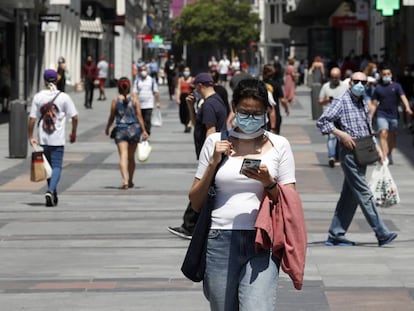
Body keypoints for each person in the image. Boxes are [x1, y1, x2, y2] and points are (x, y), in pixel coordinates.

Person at [189, 78, 302, 310]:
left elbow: (290, 202)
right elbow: (195, 202)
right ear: (234, 108)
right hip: (220, 239)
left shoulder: (280, 145)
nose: (250, 118)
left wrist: (269, 183)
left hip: (262, 240)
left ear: (266, 113)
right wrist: (213, 163)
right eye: (244, 112)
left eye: (256, 113)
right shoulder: (214, 142)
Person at [316, 71, 398, 247]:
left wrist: (377, 148)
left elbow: (367, 128)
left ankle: (336, 234)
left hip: (363, 150)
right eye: (357, 81)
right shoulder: (341, 100)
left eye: (364, 82)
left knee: (350, 196)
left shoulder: (362, 102)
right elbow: (323, 121)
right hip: (349, 153)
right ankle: (381, 232)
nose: (360, 84)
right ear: (350, 83)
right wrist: (341, 135)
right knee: (363, 192)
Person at [168, 72, 229, 239]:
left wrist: (209, 158)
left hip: (212, 156)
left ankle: (190, 226)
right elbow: (196, 124)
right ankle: (192, 225)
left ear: (201, 86)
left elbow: (210, 133)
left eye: (195, 87)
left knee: (202, 188)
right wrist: (191, 107)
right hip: (215, 155)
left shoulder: (209, 105)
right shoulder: (216, 101)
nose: (195, 90)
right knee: (206, 188)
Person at [28, 69, 78, 207]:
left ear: (44, 81)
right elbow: (75, 117)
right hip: (57, 140)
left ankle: (52, 194)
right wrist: (73, 132)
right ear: (57, 80)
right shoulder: (64, 97)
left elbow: (32, 119)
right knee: (56, 167)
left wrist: (30, 136)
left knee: (47, 168)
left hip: (42, 139)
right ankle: (50, 191)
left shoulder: (38, 97)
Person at [105, 77, 149, 189]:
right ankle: (130, 180)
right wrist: (144, 130)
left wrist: (108, 127)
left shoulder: (115, 100)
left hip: (121, 130)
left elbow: (112, 116)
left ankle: (124, 180)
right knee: (131, 157)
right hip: (134, 130)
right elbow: (139, 116)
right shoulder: (134, 99)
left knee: (123, 156)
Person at [371, 66, 413, 164]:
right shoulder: (378, 88)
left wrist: (407, 108)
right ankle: (384, 156)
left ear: (391, 75)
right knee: (383, 133)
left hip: (394, 115)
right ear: (381, 75)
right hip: (381, 114)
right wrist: (370, 115)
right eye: (384, 74)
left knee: (392, 136)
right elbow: (374, 103)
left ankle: (389, 152)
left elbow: (403, 97)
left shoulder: (396, 86)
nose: (386, 76)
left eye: (388, 74)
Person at [318, 67, 348, 167]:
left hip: (342, 117)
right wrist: (326, 100)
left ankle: (339, 157)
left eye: (336, 77)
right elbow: (319, 101)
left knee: (341, 138)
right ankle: (332, 156)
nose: (334, 79)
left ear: (340, 76)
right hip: (330, 116)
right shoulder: (326, 86)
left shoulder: (345, 86)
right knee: (332, 137)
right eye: (332, 77)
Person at [133, 64, 161, 135]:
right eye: (141, 70)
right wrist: (134, 102)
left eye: (144, 70)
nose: (143, 72)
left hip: (149, 104)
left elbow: (156, 92)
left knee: (147, 120)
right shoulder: (137, 81)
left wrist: (157, 102)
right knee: (140, 120)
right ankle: (142, 133)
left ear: (147, 71)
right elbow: (134, 93)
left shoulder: (151, 80)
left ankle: (147, 133)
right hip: (139, 104)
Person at [262, 63, 289, 134]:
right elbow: (282, 100)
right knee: (275, 136)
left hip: (262, 114)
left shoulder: (261, 84)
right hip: (275, 112)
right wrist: (286, 109)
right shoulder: (276, 84)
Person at [176, 66, 193, 133]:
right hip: (182, 97)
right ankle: (185, 124)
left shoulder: (192, 79)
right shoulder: (180, 79)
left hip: (189, 97)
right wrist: (177, 98)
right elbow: (178, 89)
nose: (186, 72)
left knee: (189, 111)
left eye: (187, 71)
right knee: (182, 113)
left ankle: (189, 124)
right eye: (185, 71)